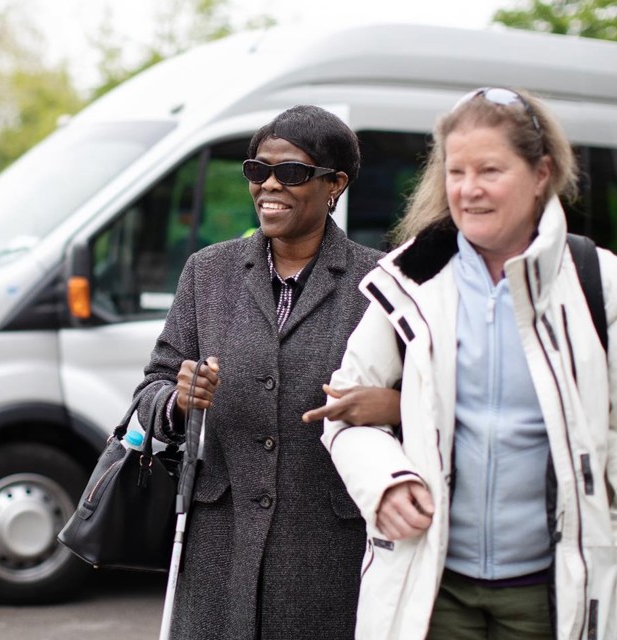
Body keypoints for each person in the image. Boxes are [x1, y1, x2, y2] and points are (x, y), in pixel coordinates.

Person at [312, 88, 617, 640]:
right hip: (432, 585)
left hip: (552, 592)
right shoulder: (409, 280)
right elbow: (342, 407)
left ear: (541, 174)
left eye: (490, 169)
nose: (468, 190)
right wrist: (385, 484)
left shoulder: (608, 287)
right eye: (456, 170)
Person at [133, 105, 388, 640]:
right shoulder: (208, 272)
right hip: (218, 550)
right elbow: (149, 394)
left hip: (327, 551)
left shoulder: (379, 282)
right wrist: (178, 399)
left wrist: (385, 407)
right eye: (258, 170)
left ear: (334, 184)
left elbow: (423, 404)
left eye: (291, 172)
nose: (269, 184)